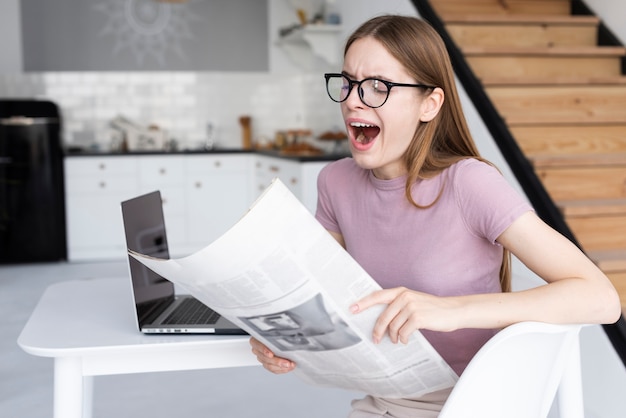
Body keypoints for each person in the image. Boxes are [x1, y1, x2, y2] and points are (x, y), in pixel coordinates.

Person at [250, 14, 621, 417]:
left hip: (473, 403)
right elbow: (318, 297)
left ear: (430, 104)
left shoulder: (469, 183)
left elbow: (600, 298)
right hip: (382, 403)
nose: (354, 99)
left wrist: (453, 309)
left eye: (378, 86)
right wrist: (279, 338)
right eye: (349, 83)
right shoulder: (335, 182)